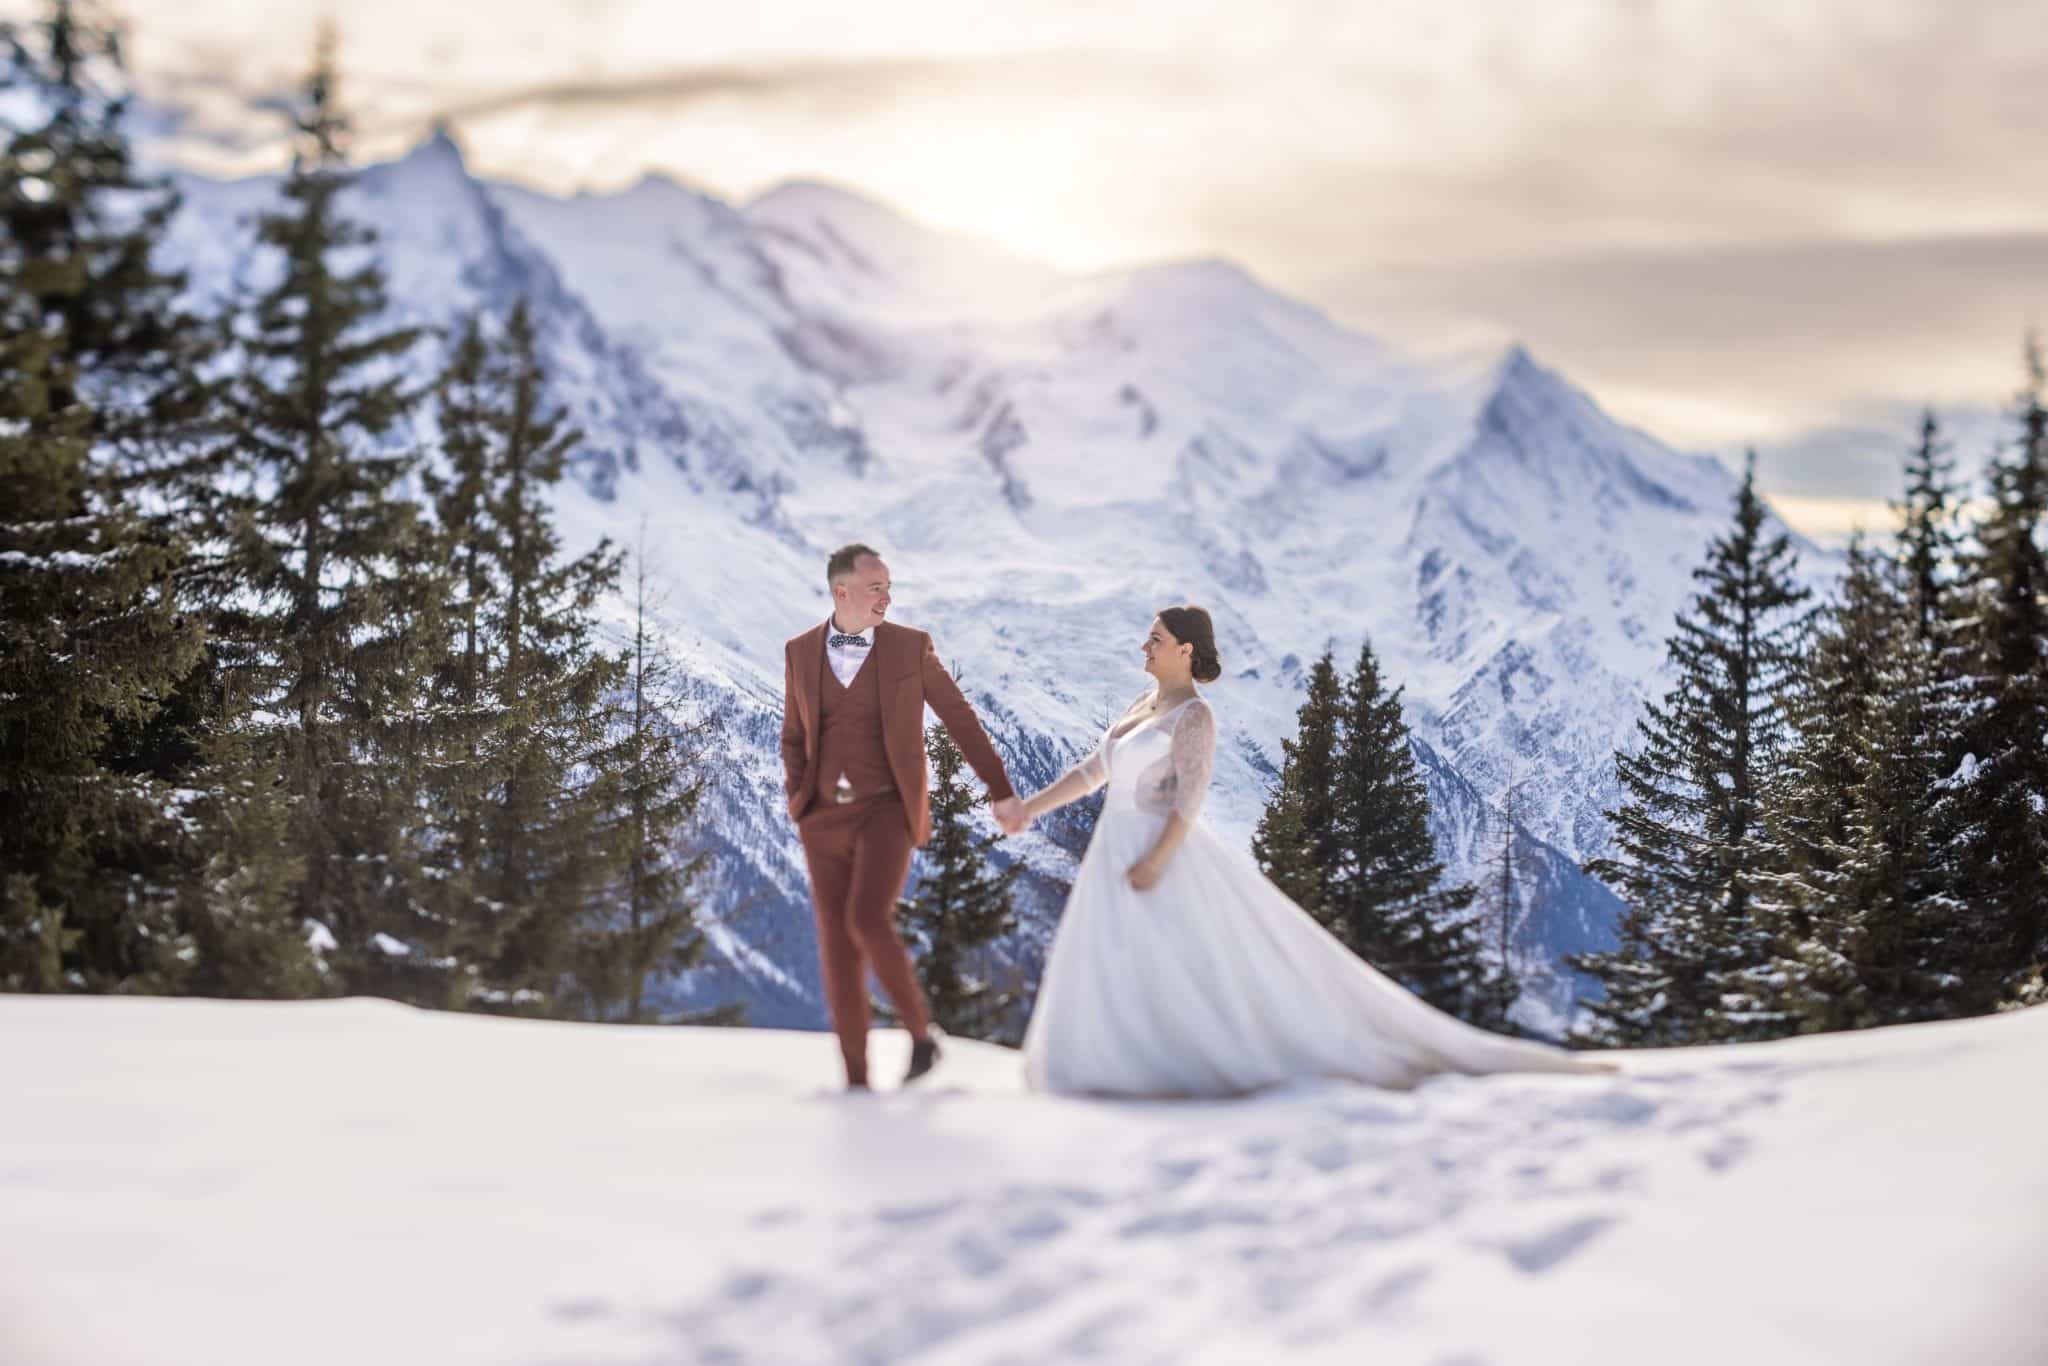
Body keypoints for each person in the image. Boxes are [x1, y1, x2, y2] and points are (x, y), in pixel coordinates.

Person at [1015, 605, 1610, 1097]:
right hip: (1113, 848)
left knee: (1186, 962)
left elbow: (1187, 802)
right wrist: (1027, 809)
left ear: (1187, 650)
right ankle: (1118, 1062)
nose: (1145, 646)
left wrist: (1157, 860)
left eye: (1156, 638)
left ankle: (1182, 1064)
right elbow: (1093, 772)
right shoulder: (1137, 708)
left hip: (1157, 850)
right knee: (1117, 954)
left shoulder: (1195, 715)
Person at [779, 543, 1025, 1091]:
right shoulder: (799, 652)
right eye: (876, 588)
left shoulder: (910, 649)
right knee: (837, 949)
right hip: (821, 818)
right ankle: (857, 1083)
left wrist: (1001, 790)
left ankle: (919, 1035)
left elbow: (960, 718)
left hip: (886, 809)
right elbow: (793, 736)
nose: (887, 597)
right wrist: (800, 798)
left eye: (889, 586)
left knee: (867, 921)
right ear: (842, 592)